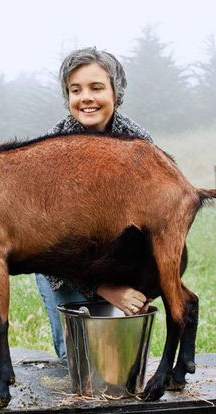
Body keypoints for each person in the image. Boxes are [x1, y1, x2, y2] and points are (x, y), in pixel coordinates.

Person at [36, 46, 153, 360]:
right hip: (62, 267)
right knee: (77, 359)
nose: (85, 97)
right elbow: (46, 242)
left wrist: (140, 284)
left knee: (124, 359)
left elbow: (153, 222)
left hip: (121, 263)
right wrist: (103, 289)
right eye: (76, 90)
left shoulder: (138, 143)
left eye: (96, 87)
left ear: (116, 91)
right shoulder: (51, 150)